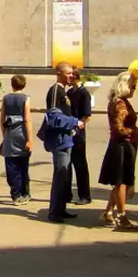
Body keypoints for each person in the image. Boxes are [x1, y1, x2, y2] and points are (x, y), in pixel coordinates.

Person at [99, 72, 138, 228]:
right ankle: (122, 216)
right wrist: (137, 129)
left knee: (121, 182)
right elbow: (119, 129)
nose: (134, 90)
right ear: (125, 86)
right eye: (133, 86)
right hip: (122, 146)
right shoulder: (120, 104)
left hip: (124, 145)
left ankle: (107, 212)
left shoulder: (120, 101)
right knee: (121, 182)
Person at [45, 63, 81, 220]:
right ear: (59, 73)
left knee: (65, 175)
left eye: (72, 73)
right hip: (59, 140)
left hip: (67, 138)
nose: (71, 76)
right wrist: (74, 122)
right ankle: (54, 212)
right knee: (60, 175)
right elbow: (52, 116)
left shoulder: (64, 91)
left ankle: (61, 208)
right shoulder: (55, 90)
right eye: (68, 73)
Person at [0, 75, 33, 204]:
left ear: (12, 85)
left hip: (10, 133)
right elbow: (27, 120)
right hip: (22, 134)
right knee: (23, 164)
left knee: (11, 164)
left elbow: (2, 119)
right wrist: (30, 139)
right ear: (24, 85)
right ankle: (25, 192)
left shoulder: (6, 98)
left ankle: (16, 193)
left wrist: (5, 135)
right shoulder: (26, 98)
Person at [67, 69, 93, 205]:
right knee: (67, 163)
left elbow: (87, 115)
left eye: (71, 75)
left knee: (80, 164)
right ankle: (67, 194)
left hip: (78, 133)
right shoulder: (69, 92)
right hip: (68, 130)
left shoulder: (84, 93)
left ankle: (85, 195)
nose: (69, 78)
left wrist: (79, 125)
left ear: (76, 77)